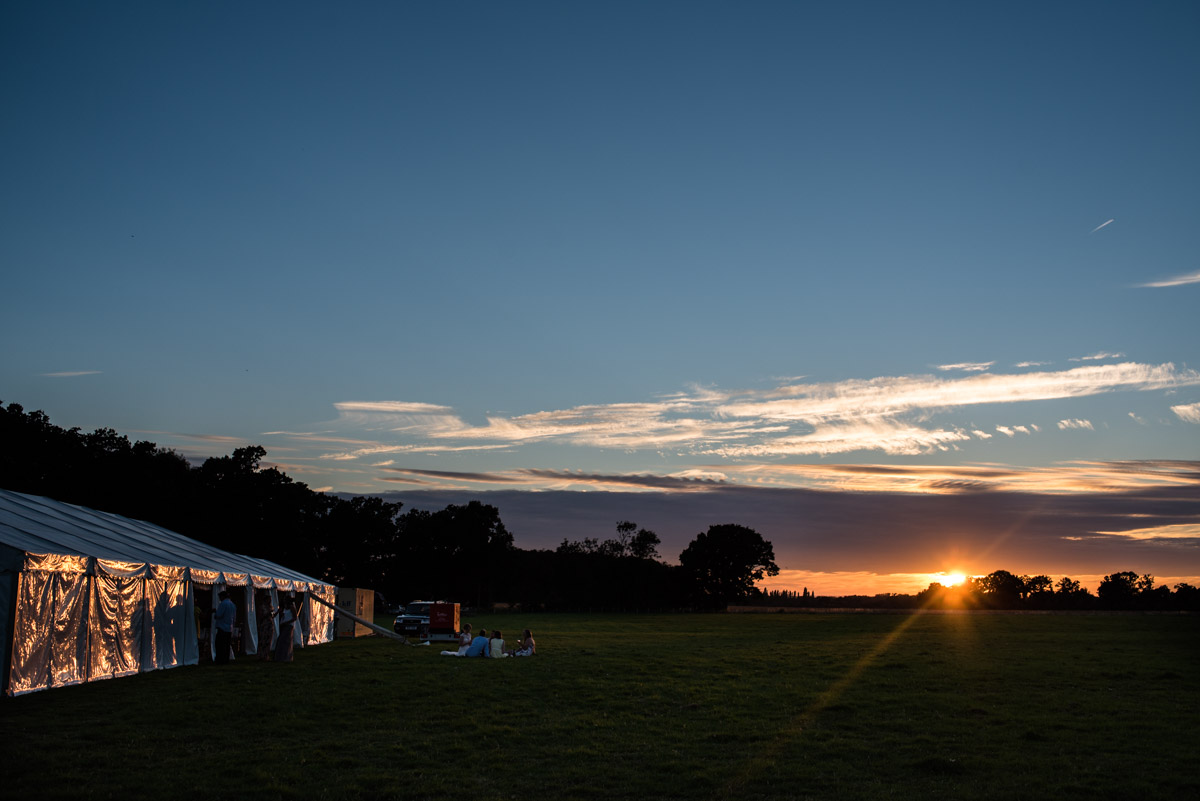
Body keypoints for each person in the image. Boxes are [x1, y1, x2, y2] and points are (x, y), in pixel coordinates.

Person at [213, 590, 236, 665]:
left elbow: (219, 615)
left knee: (220, 645)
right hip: (229, 628)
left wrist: (215, 614)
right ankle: (226, 660)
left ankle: (220, 660)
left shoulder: (223, 604)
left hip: (222, 627)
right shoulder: (232, 604)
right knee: (226, 645)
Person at [275, 598, 297, 663]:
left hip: (289, 626)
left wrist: (287, 622)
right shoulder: (284, 608)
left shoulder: (292, 608)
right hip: (283, 625)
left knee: (286, 641)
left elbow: (295, 617)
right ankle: (281, 657)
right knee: (282, 641)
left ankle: (286, 657)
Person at [257, 596, 276, 661]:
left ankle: (266, 655)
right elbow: (261, 616)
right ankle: (261, 655)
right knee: (263, 640)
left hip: (270, 625)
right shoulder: (262, 607)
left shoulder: (271, 607)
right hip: (264, 624)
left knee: (268, 640)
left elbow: (273, 616)